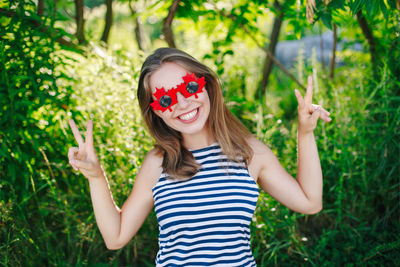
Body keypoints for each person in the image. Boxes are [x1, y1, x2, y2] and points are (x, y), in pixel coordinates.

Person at [68, 47, 332, 266]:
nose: (182, 103)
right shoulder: (157, 163)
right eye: (165, 100)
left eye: (190, 86)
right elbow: (115, 237)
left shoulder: (249, 153)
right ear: (156, 112)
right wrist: (95, 175)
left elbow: (310, 203)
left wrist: (305, 133)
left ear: (207, 85)